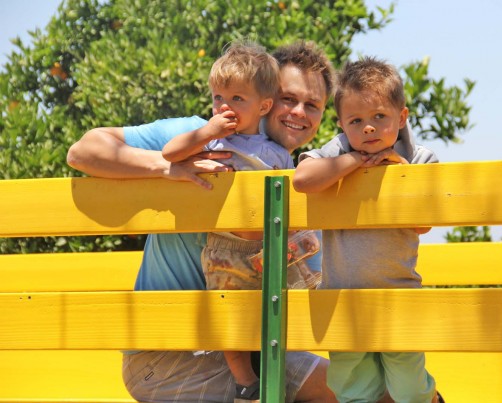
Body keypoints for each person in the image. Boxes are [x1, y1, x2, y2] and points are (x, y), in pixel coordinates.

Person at [67, 41, 336, 403]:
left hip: (250, 346)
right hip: (167, 354)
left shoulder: (297, 182)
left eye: (312, 105)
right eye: (289, 98)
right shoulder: (200, 137)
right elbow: (83, 151)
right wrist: (168, 168)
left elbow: (312, 302)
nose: (298, 112)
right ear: (267, 97)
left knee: (358, 391)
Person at [293, 57, 444, 403]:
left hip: (398, 293)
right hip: (342, 297)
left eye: (379, 117)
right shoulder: (341, 150)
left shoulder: (420, 158)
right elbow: (302, 180)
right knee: (353, 388)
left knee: (408, 388)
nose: (369, 129)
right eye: (356, 121)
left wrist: (399, 172)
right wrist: (353, 162)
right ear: (342, 125)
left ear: (402, 117)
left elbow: (423, 223)